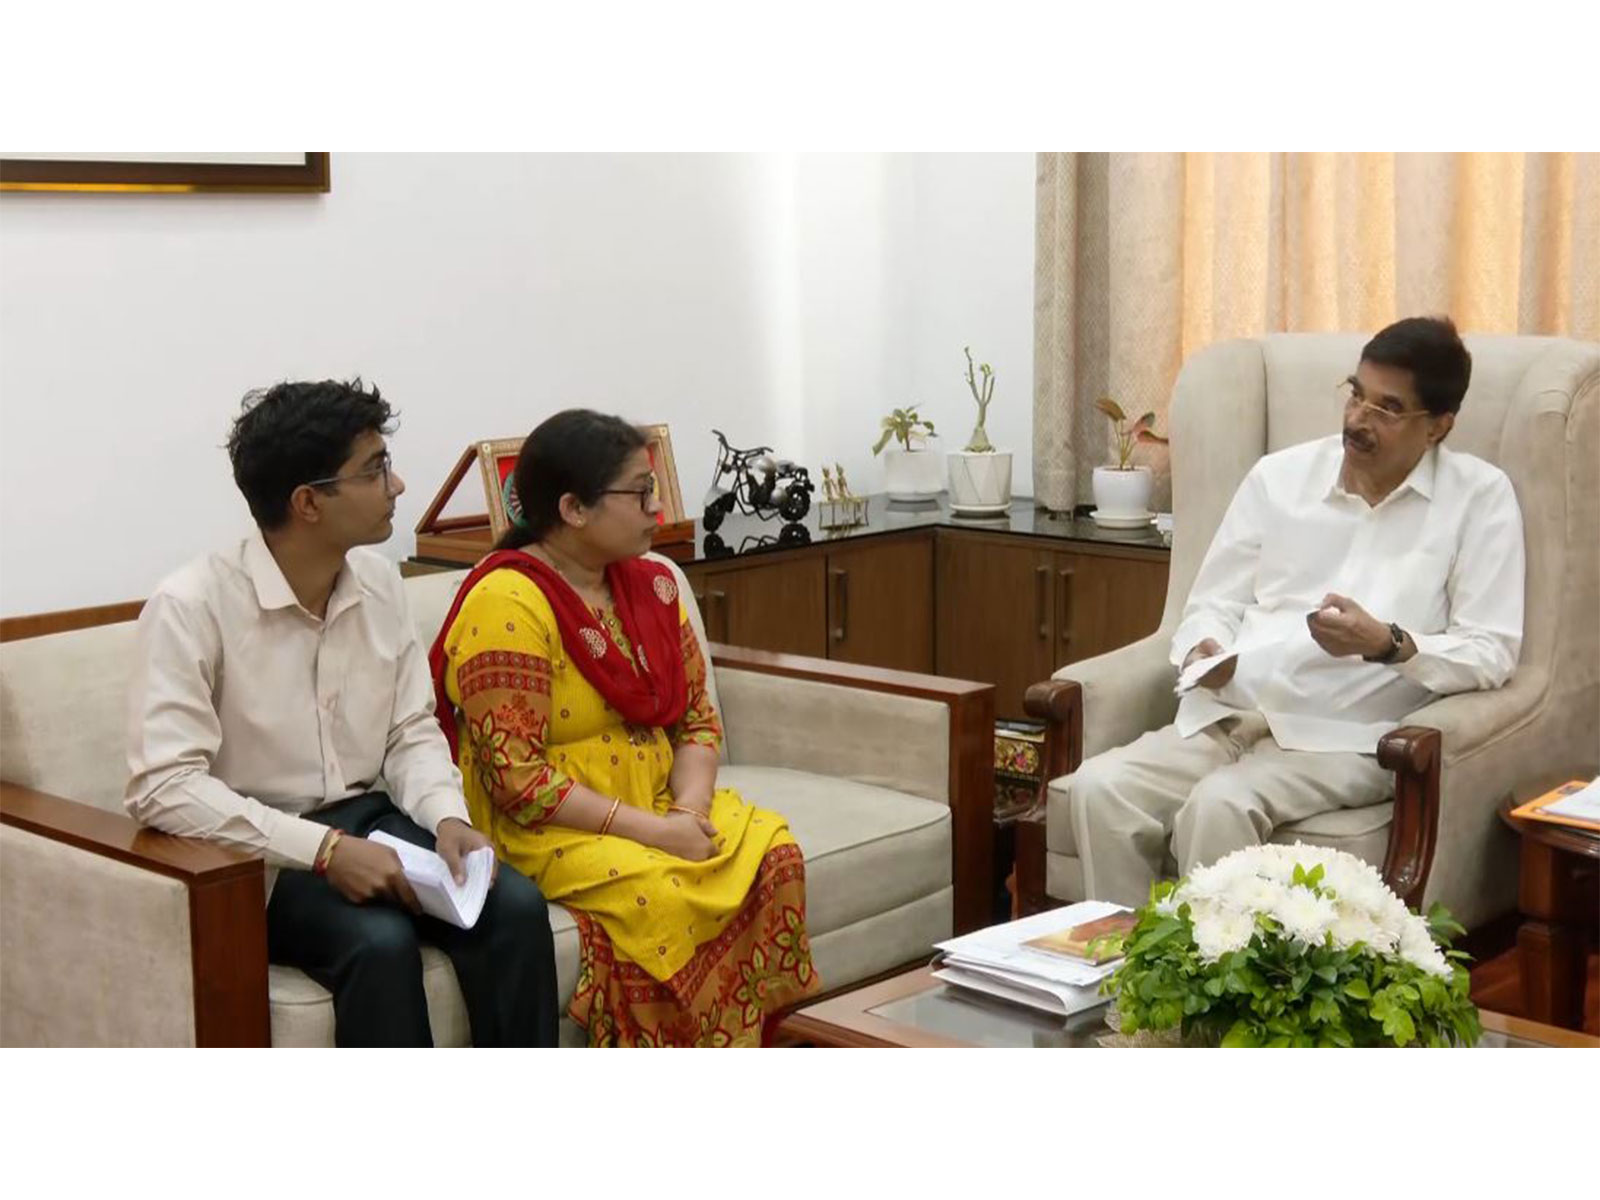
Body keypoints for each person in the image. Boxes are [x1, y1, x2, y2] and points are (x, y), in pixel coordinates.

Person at [125, 379, 560, 1046]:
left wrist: (447, 817)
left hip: (374, 821)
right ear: (308, 502)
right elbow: (163, 787)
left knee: (513, 907)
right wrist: (325, 851)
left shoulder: (380, 583)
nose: (398, 484)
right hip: (260, 861)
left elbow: (410, 731)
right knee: (379, 944)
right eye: (375, 469)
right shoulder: (192, 606)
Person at [1068, 316, 1525, 907]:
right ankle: (1125, 987)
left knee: (1219, 806)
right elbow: (1212, 603)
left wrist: (1388, 644)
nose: (1359, 419)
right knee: (1101, 789)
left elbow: (1492, 652)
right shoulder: (1279, 478)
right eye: (1356, 394)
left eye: (1387, 409)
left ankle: (1211, 995)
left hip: (1346, 738)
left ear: (1439, 426)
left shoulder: (1480, 499)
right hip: (1231, 715)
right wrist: (1205, 650)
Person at [428, 409, 820, 1046]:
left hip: (660, 802)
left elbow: (697, 719)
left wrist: (688, 813)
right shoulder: (507, 603)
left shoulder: (655, 586)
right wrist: (658, 835)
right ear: (574, 509)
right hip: (551, 825)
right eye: (640, 494)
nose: (657, 510)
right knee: (662, 899)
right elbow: (518, 781)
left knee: (774, 851)